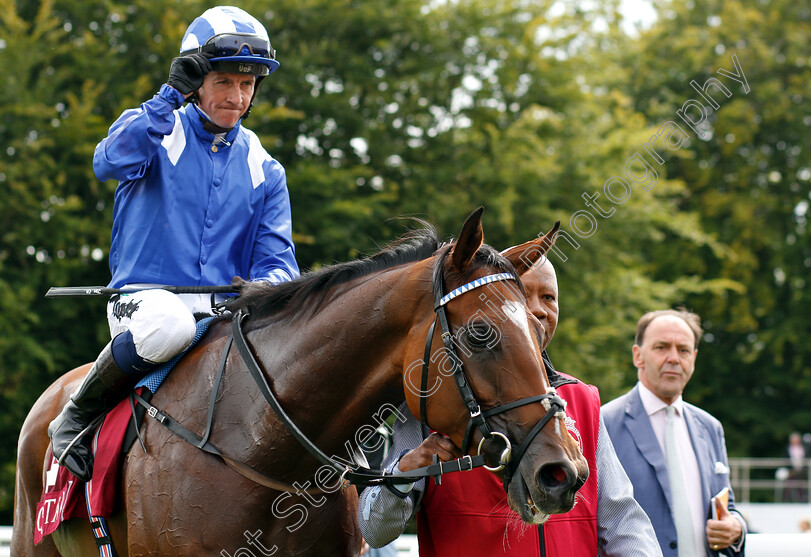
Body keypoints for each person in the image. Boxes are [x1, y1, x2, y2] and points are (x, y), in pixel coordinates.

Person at [48, 5, 299, 482]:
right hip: (145, 305)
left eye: (247, 85)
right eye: (224, 81)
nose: (237, 96)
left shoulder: (266, 169)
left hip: (226, 314)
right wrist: (168, 98)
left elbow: (278, 262)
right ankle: (77, 415)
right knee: (172, 326)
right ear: (197, 78)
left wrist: (262, 295)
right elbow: (108, 160)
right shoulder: (156, 130)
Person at [358, 255, 662, 556]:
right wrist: (405, 471)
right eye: (523, 295)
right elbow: (375, 531)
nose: (540, 310)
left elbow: (623, 523)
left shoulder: (582, 398)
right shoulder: (432, 398)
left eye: (549, 297)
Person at [602, 309, 747, 557]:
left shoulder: (710, 427)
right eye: (661, 347)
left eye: (683, 350)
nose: (673, 358)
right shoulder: (603, 423)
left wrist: (736, 528)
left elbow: (727, 505)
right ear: (638, 355)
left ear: (694, 357)